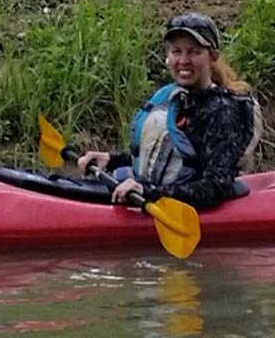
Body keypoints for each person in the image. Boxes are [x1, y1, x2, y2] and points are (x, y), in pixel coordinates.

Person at [77, 12, 263, 210]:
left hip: (188, 211)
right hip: (155, 196)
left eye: (194, 52)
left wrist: (150, 193)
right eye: (176, 51)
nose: (183, 60)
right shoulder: (176, 99)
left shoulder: (223, 112)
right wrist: (111, 160)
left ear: (212, 57)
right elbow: (165, 158)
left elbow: (216, 186)